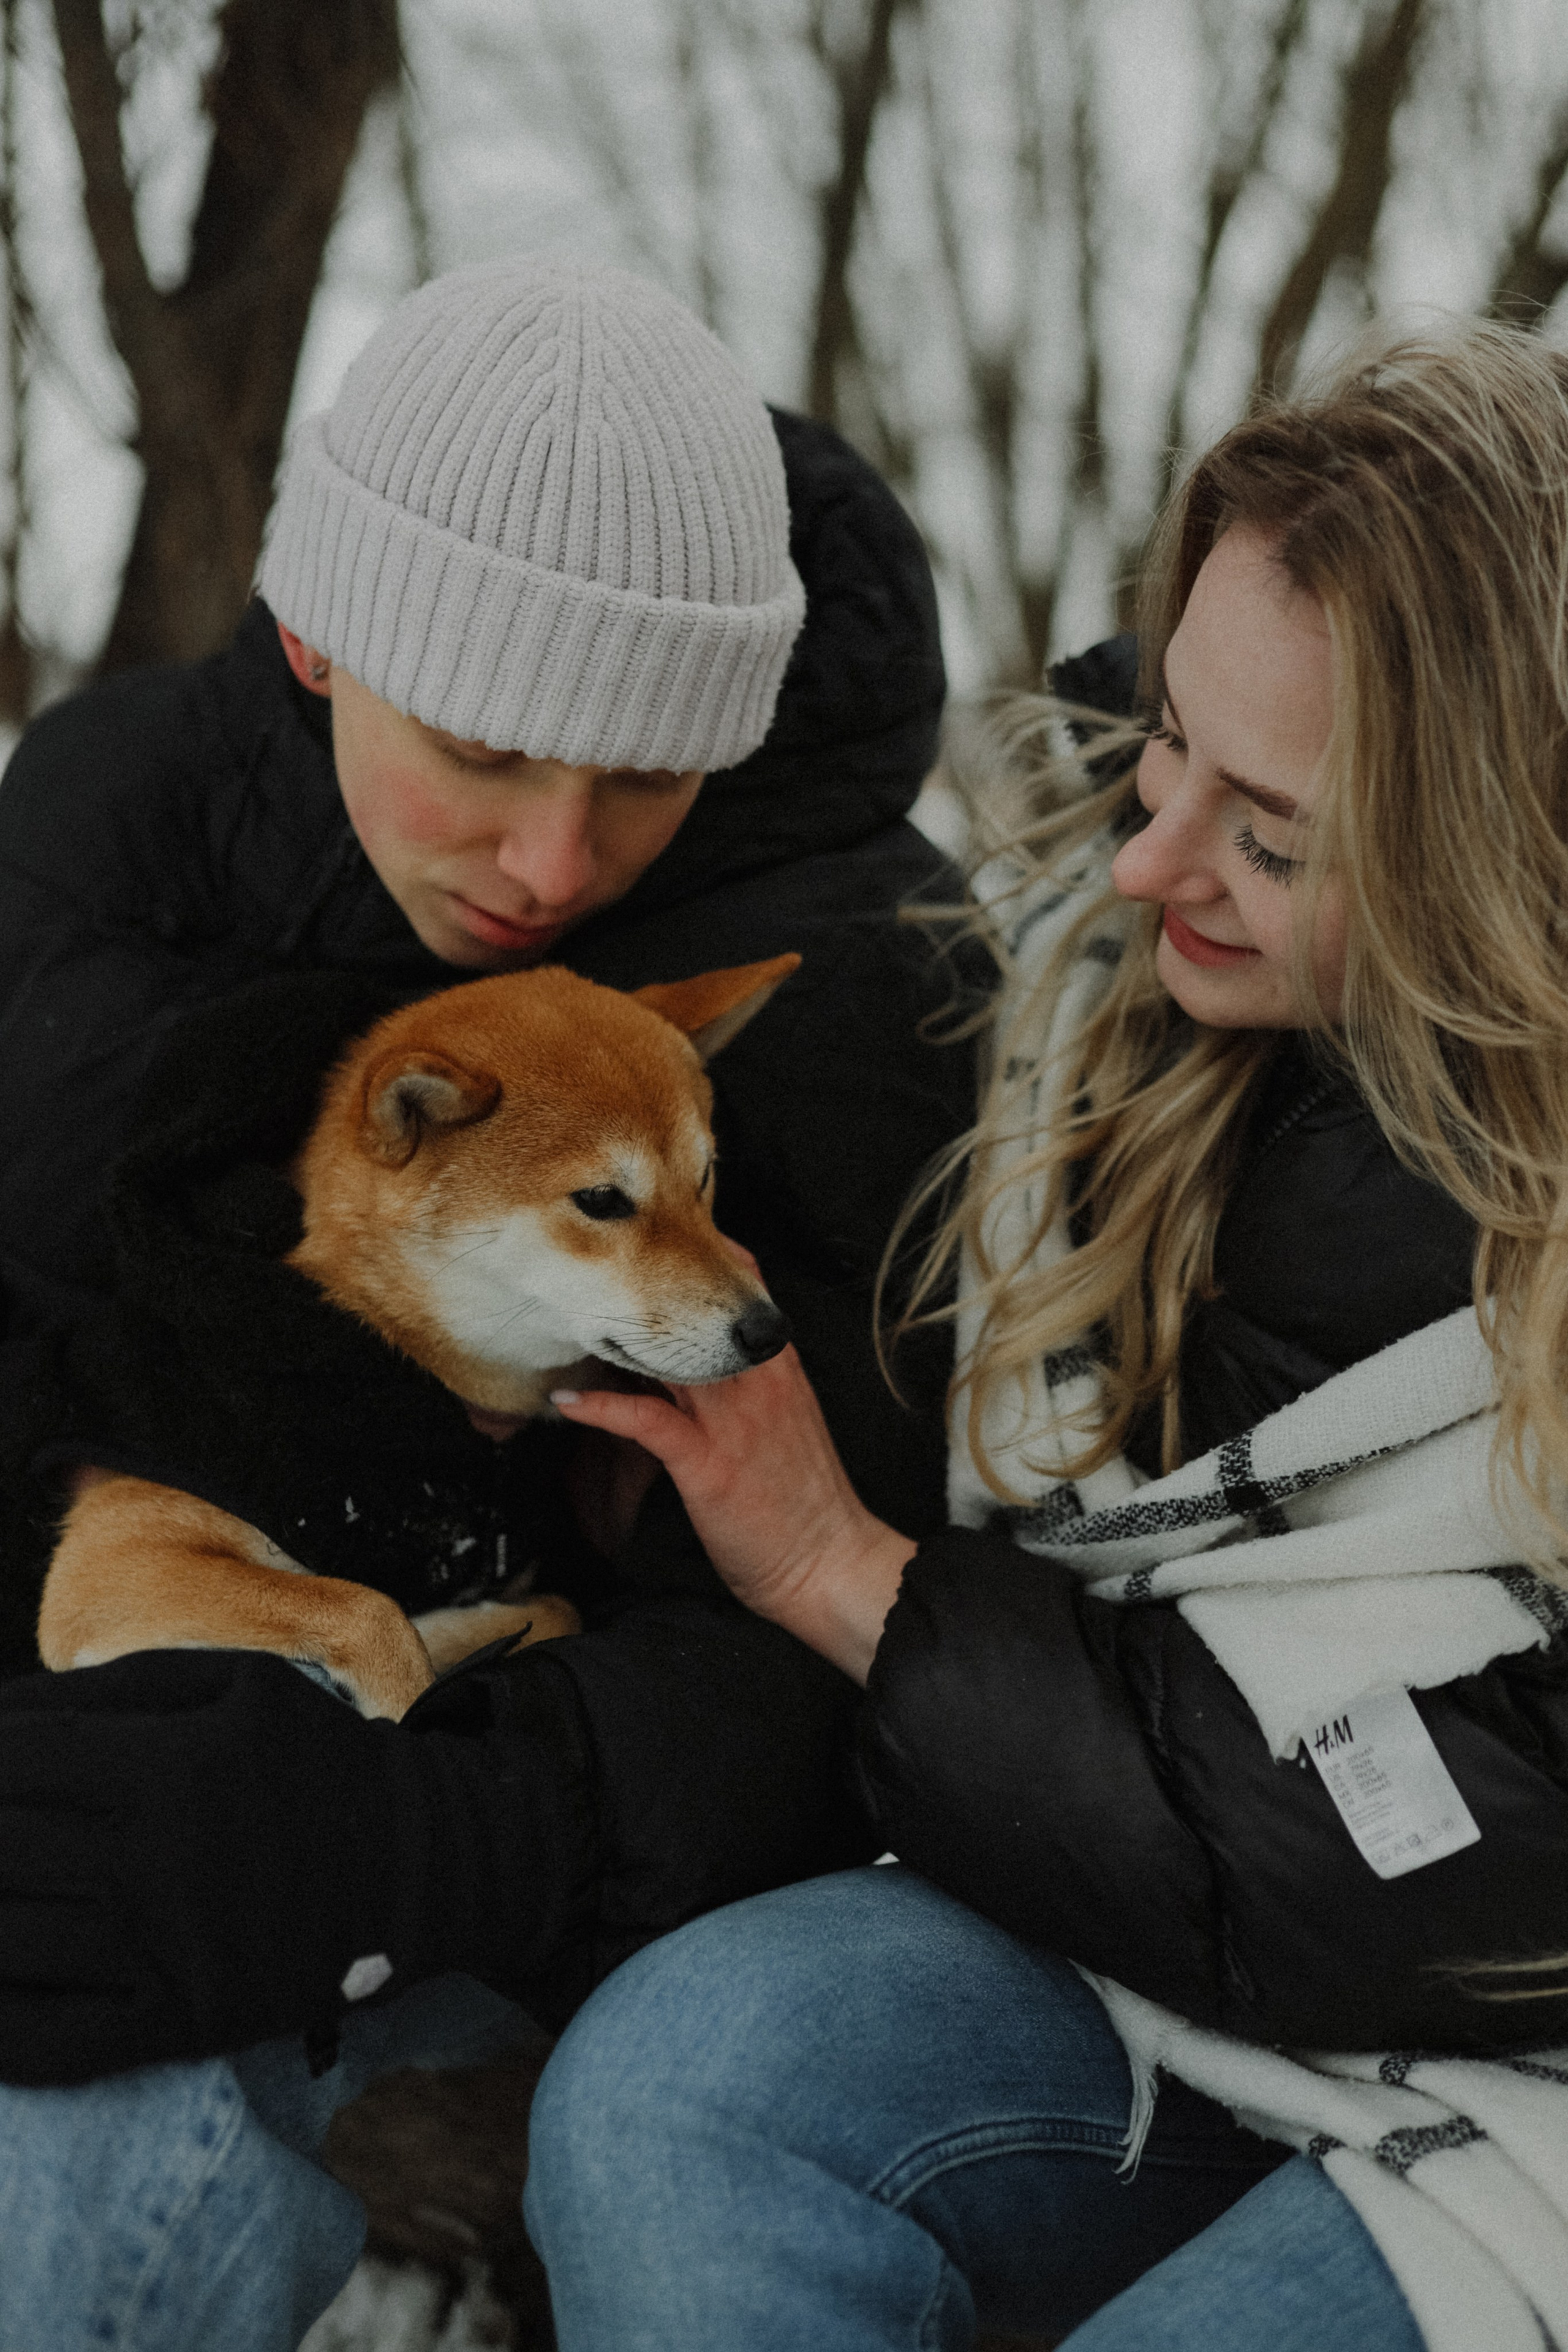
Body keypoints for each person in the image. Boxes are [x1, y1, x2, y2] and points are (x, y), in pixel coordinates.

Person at [522, 323, 1568, 2351]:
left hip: (1520, 2057)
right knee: (681, 2098)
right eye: (1172, 737)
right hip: (1159, 1965)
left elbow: (1441, 1864)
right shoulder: (1101, 1010)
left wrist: (846, 1577)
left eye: (1270, 835)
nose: (1149, 854)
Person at [0, 258, 980, 2345]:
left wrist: (386, 1839)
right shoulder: (114, 823)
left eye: (644, 775)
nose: (555, 859)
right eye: (485, 749)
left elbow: (843, 1636)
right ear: (318, 636)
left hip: (529, 1821)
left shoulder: (860, 987)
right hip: (109, 1638)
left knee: (75, 2165)